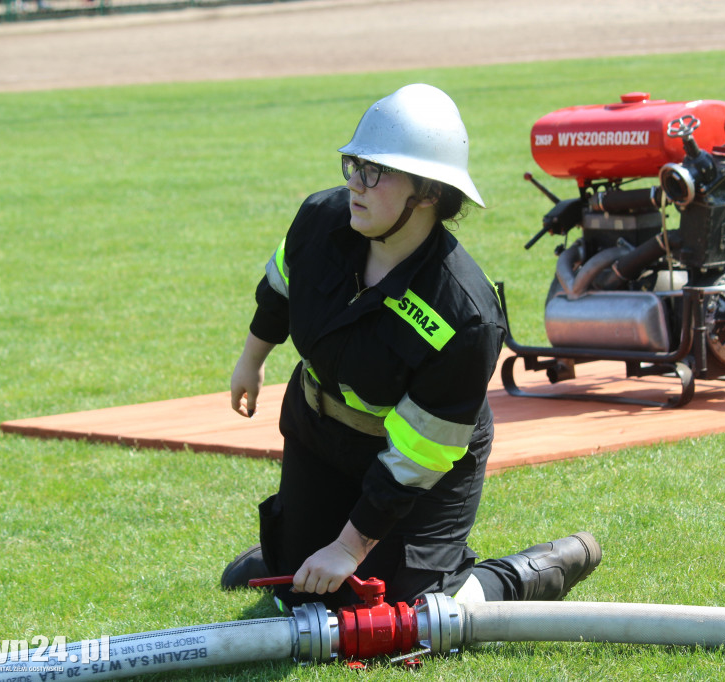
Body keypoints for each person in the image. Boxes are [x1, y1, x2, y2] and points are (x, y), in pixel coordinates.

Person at [222, 83, 600, 611]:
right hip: (320, 430)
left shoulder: (463, 313)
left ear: (428, 193)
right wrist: (251, 360)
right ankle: (290, 553)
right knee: (302, 596)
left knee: (406, 610)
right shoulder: (322, 218)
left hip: (420, 457)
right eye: (354, 164)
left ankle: (524, 574)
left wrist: (349, 548)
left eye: (374, 172)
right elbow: (282, 286)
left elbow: (418, 455)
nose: (355, 183)